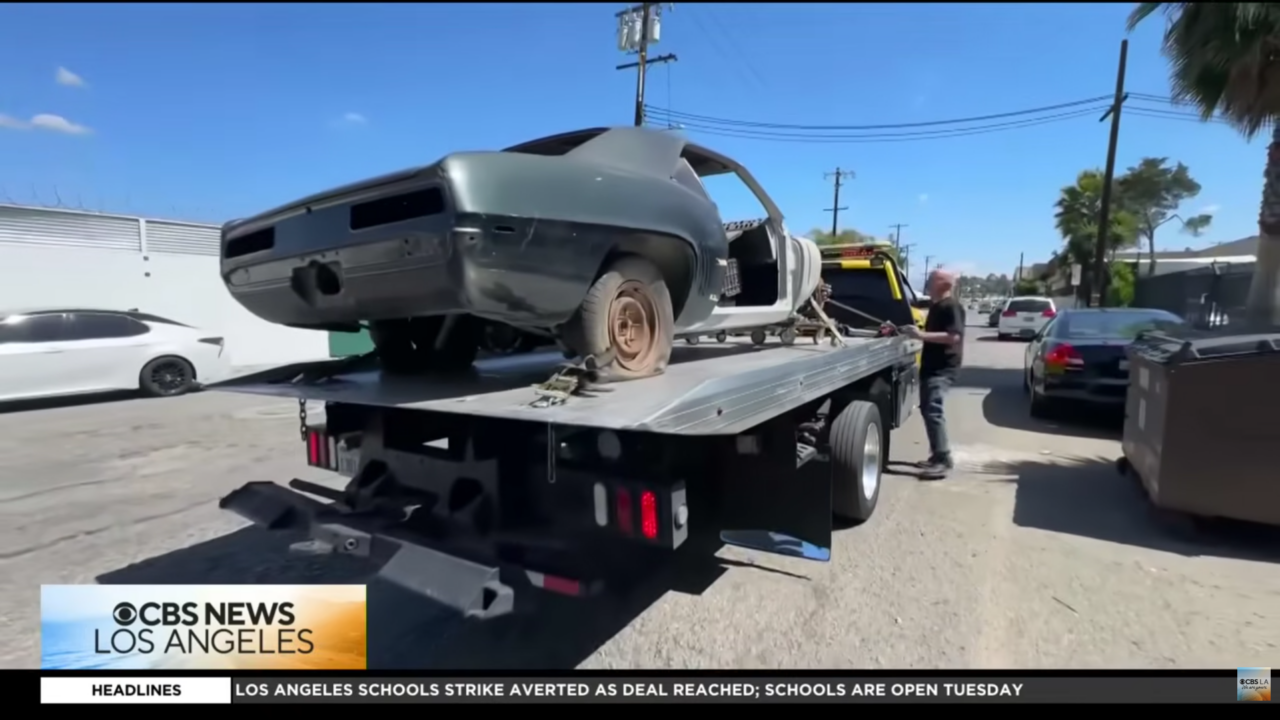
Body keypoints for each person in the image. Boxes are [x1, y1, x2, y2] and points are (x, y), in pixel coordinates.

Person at [899, 269, 965, 479]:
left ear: (942, 284)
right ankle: (937, 456)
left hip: (943, 367)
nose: (927, 283)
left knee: (934, 410)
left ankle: (943, 459)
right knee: (928, 409)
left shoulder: (951, 306)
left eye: (932, 279)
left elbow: (953, 337)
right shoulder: (937, 306)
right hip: (931, 366)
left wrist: (921, 335)